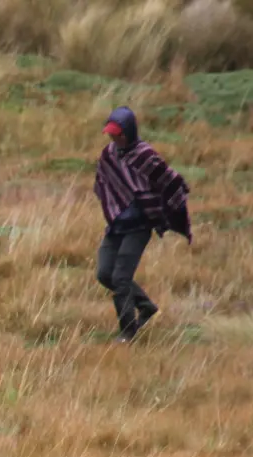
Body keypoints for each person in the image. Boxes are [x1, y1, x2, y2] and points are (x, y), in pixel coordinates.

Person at [93, 106, 192, 343]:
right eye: (111, 133)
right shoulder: (109, 154)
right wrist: (115, 205)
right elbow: (103, 182)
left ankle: (128, 332)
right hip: (117, 225)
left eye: (118, 133)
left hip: (139, 227)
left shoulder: (145, 155)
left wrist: (165, 209)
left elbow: (171, 182)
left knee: (120, 279)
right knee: (104, 273)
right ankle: (147, 307)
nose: (114, 138)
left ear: (129, 131)